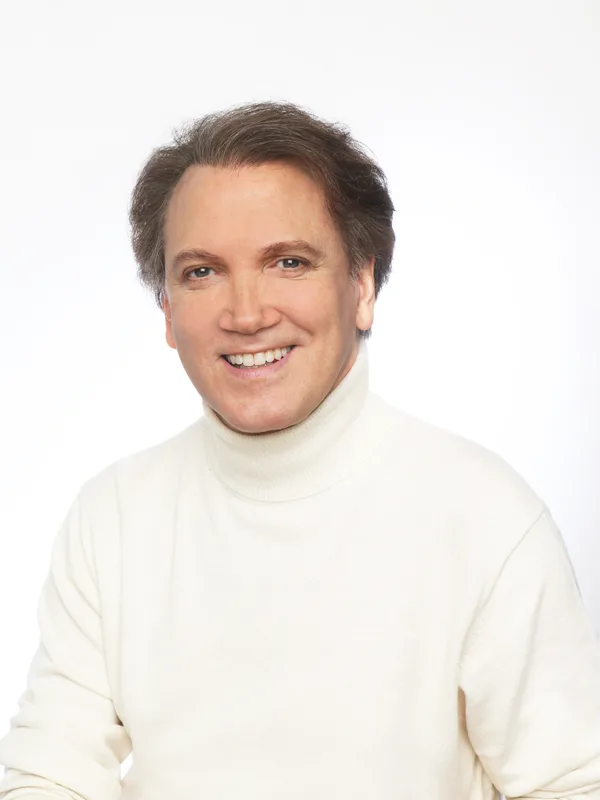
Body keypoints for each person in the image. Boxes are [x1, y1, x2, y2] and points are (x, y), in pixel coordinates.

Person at [0, 101, 599, 800]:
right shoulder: (113, 517)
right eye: (202, 272)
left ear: (362, 285)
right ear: (166, 310)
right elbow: (50, 777)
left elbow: (572, 783)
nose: (247, 313)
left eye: (289, 262)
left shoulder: (485, 517)